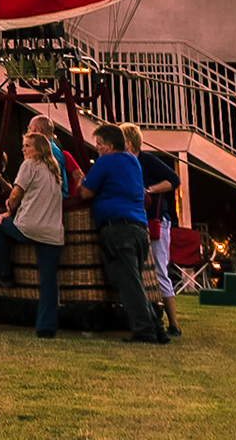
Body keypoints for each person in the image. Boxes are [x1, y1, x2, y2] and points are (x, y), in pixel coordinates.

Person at [77, 124, 166, 345]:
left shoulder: (105, 161)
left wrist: (80, 181)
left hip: (118, 229)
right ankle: (157, 328)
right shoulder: (132, 161)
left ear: (108, 146)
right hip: (138, 227)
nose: (96, 149)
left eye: (98, 144)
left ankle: (145, 332)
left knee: (128, 284)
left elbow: (86, 192)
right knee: (134, 282)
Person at [0, 132, 65, 339]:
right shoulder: (53, 170)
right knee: (48, 281)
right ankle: (46, 328)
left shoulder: (29, 165)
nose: (23, 149)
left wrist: (8, 212)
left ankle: (2, 271)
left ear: (38, 149)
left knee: (1, 224)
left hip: (28, 227)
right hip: (53, 233)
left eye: (28, 146)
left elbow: (16, 193)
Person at [123, 124, 183, 339]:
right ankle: (151, 317)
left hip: (155, 220)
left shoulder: (146, 160)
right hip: (137, 220)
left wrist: (149, 190)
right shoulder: (126, 163)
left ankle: (173, 323)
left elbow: (174, 180)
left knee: (158, 270)